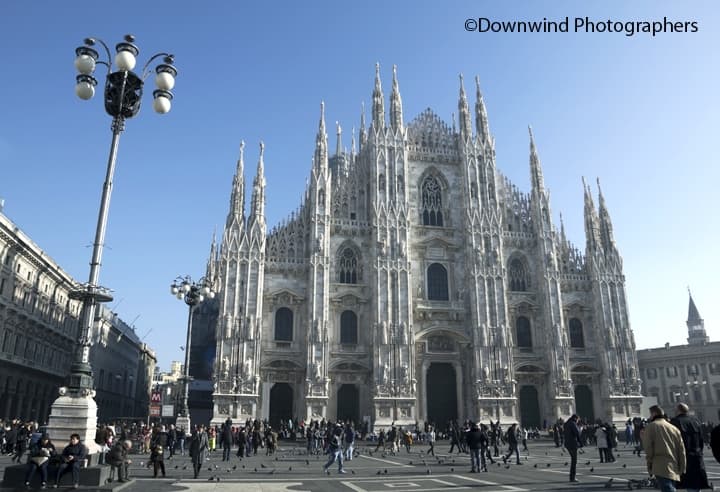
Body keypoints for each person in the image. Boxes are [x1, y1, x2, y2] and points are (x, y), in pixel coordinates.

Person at [642, 405, 686, 492]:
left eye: (650, 414)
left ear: (654, 414)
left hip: (659, 464)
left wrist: (649, 465)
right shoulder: (674, 428)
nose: (650, 417)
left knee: (667, 488)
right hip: (674, 464)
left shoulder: (650, 427)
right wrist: (683, 466)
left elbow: (648, 448)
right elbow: (681, 449)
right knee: (671, 487)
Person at [670, 403, 710, 492]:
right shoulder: (695, 420)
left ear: (678, 410)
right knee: (695, 483)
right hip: (697, 454)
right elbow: (701, 439)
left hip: (684, 455)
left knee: (687, 481)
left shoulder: (675, 421)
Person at [563, 414, 583, 483]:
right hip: (573, 444)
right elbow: (577, 433)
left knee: (573, 460)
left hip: (567, 444)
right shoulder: (573, 424)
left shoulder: (566, 424)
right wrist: (581, 443)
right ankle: (572, 477)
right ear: (575, 418)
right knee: (574, 461)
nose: (578, 421)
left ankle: (572, 477)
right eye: (578, 420)